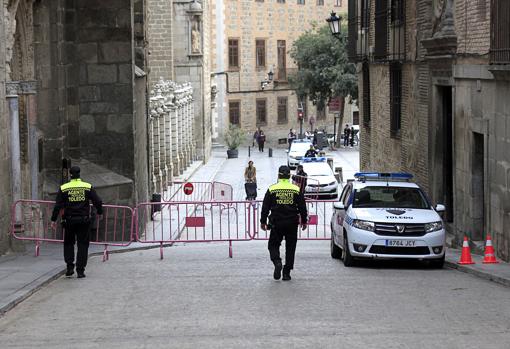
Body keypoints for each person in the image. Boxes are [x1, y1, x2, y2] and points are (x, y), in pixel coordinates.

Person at [50, 166, 103, 278]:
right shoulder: (87, 186)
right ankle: (80, 270)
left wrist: (53, 219)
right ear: (79, 174)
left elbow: (58, 205)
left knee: (69, 243)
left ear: (70, 175)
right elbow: (97, 201)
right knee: (83, 244)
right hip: (83, 220)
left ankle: (69, 267)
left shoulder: (64, 188)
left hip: (69, 220)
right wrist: (100, 212)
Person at [260, 165, 307, 281]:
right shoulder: (296, 189)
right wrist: (304, 221)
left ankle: (277, 262)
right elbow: (302, 206)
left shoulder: (272, 189)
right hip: (292, 222)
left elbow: (265, 206)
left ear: (278, 176)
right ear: (290, 176)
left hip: (276, 222)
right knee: (291, 248)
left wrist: (263, 221)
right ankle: (286, 272)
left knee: (273, 245)